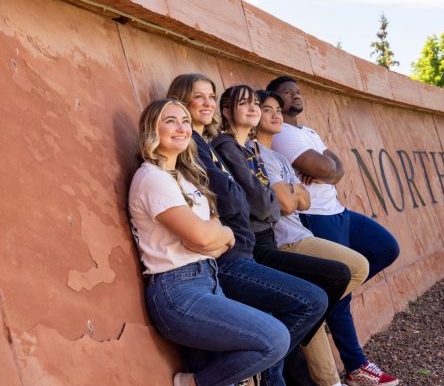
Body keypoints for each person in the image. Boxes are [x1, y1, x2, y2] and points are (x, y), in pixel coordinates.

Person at [165, 75, 329, 386]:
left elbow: (260, 202)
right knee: (311, 301)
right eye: (198, 97)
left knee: (302, 308)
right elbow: (253, 204)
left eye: (210, 96)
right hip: (229, 260)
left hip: (243, 251)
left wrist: (279, 198)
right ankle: (261, 372)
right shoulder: (202, 149)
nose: (206, 103)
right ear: (181, 102)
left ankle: (270, 372)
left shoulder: (209, 148)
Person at [128, 98, 290, 386]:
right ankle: (192, 384)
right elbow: (205, 236)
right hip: (177, 294)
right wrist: (215, 236)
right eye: (171, 121)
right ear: (152, 129)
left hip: (209, 280)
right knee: (275, 338)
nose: (181, 128)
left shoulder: (189, 179)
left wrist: (217, 237)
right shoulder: (152, 178)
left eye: (185, 121)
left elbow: (213, 234)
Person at [267, 76, 401, 386]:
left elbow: (337, 168)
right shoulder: (283, 135)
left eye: (298, 92)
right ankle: (357, 366)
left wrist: (330, 170)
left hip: (339, 211)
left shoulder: (307, 131)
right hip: (316, 216)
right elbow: (327, 168)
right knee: (341, 289)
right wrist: (328, 170)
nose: (295, 97)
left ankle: (323, 302)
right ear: (274, 99)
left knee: (385, 248)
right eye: (287, 93)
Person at [254, 89, 370, 386]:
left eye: (277, 109)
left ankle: (329, 381)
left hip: (299, 231)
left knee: (313, 305)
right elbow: (289, 203)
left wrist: (296, 193)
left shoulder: (279, 156)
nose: (276, 114)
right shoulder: (257, 155)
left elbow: (303, 199)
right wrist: (295, 192)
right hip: (285, 241)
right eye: (267, 109)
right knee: (356, 268)